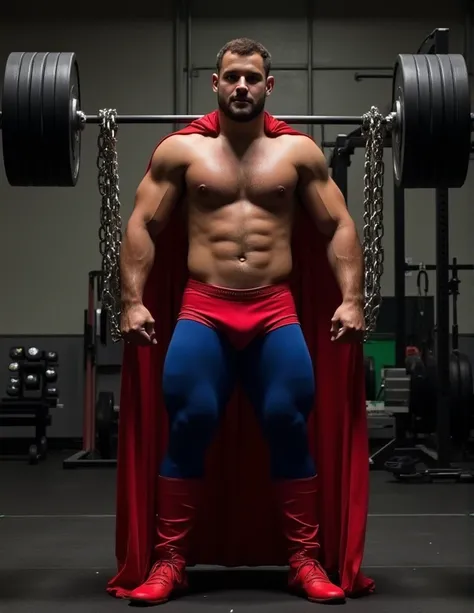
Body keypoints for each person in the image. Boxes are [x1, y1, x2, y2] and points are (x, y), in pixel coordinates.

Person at [107, 38, 375, 605]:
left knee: (286, 419)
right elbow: (142, 227)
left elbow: (339, 227)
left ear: (269, 85)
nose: (242, 87)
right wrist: (130, 300)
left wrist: (352, 298)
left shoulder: (298, 154)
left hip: (274, 309)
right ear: (215, 82)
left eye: (252, 77)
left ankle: (303, 561)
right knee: (191, 419)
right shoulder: (183, 152)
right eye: (232, 77)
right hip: (203, 307)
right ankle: (170, 561)